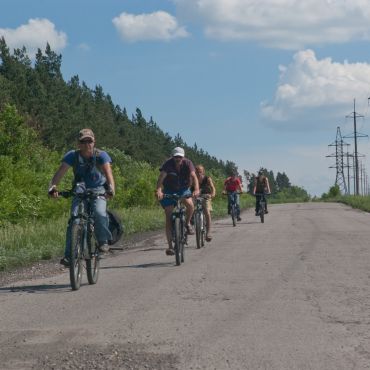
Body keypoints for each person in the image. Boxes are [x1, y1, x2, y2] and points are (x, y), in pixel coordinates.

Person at [48, 128, 115, 266]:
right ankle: (69, 256)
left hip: (98, 189)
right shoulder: (72, 156)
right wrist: (53, 186)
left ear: (94, 142)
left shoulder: (101, 155)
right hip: (80, 189)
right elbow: (60, 172)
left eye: (89, 141)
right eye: (83, 141)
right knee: (74, 220)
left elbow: (109, 174)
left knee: (99, 212)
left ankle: (103, 241)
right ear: (78, 143)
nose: (86, 144)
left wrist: (111, 189)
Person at [156, 147, 199, 255]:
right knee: (168, 214)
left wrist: (197, 189)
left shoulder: (188, 163)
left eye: (180, 157)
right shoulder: (168, 164)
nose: (178, 159)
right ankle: (170, 247)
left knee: (190, 205)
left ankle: (188, 223)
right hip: (169, 189)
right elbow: (161, 177)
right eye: (176, 157)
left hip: (184, 188)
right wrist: (159, 190)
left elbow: (194, 176)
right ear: (173, 156)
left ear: (183, 157)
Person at [194, 164, 216, 242]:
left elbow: (213, 187)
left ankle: (208, 232)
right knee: (189, 207)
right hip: (195, 196)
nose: (198, 173)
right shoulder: (193, 179)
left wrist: (213, 194)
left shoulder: (207, 178)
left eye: (200, 171)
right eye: (197, 171)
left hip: (206, 196)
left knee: (207, 211)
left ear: (203, 172)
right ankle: (190, 222)